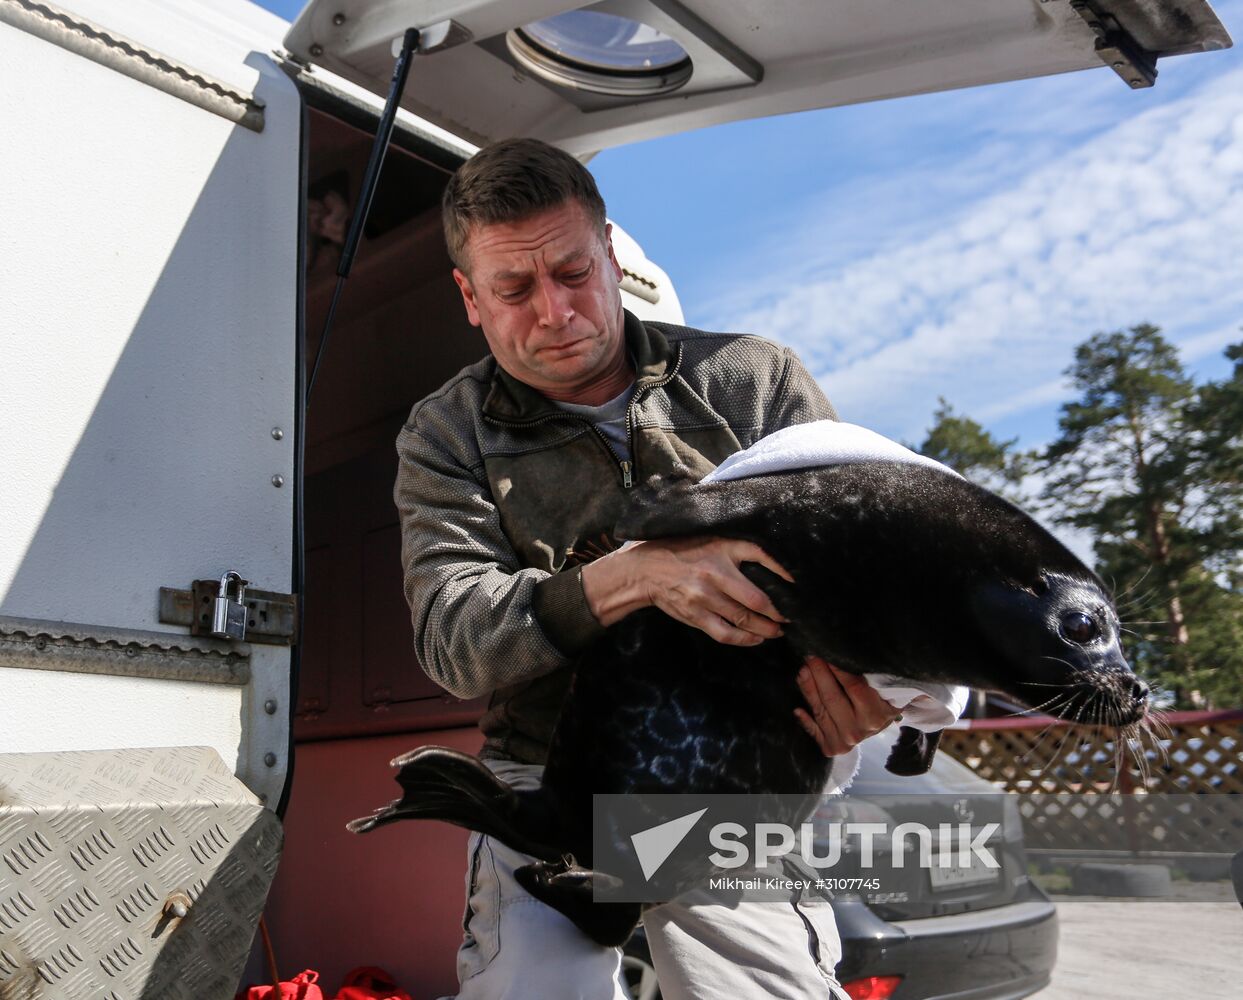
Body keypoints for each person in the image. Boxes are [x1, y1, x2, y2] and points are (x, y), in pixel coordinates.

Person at [394, 138, 900, 1000]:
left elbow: (867, 576)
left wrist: (865, 701)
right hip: (543, 780)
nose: (553, 311)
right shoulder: (443, 435)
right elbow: (454, 642)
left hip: (737, 774)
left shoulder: (753, 381)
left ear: (612, 256)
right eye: (513, 290)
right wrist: (634, 575)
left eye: (572, 271)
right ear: (468, 297)